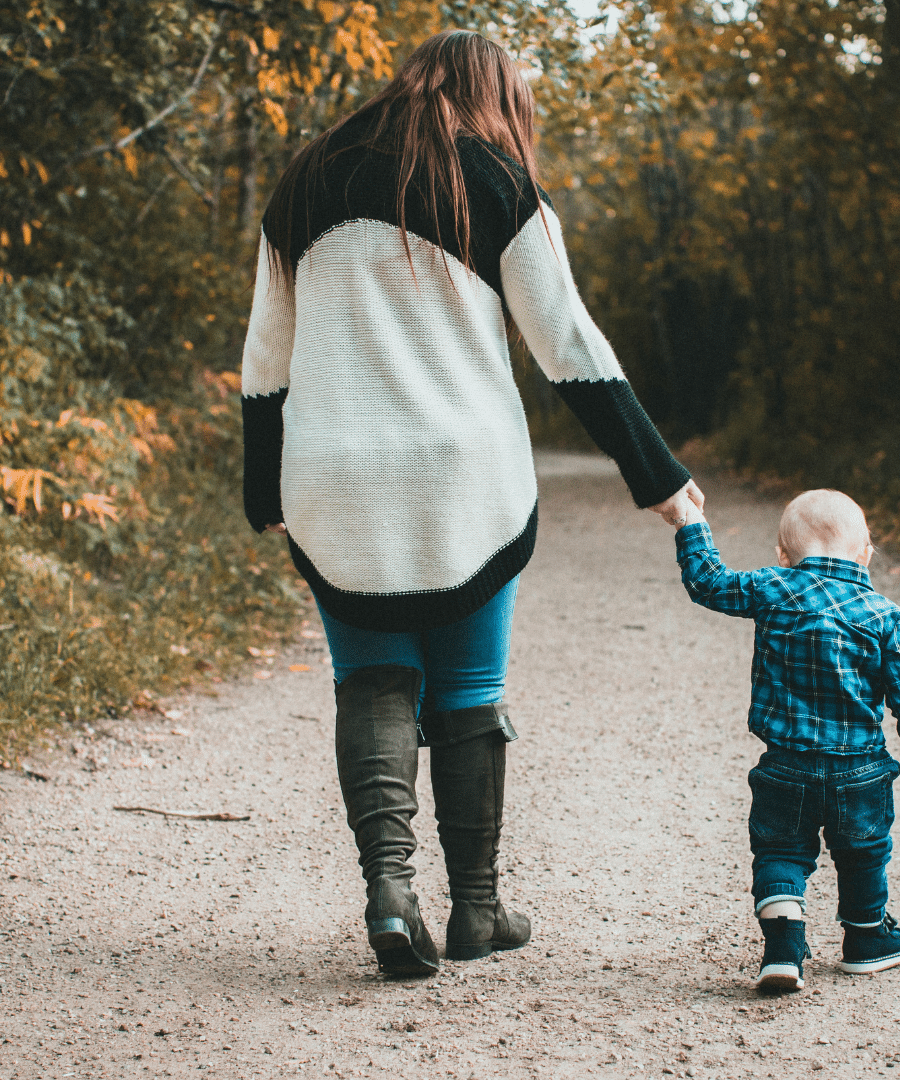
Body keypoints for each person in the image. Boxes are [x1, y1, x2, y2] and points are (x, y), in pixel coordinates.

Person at [239, 29, 705, 977]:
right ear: (495, 96)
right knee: (467, 688)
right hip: (465, 477)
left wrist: (264, 485)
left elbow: (265, 355)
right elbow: (568, 342)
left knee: (372, 679)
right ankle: (477, 911)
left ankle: (389, 892)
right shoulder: (492, 181)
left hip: (333, 472)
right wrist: (656, 476)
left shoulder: (305, 179)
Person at [669, 489, 900, 993]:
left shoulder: (772, 587)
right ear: (866, 554)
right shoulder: (883, 614)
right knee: (864, 852)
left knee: (780, 851)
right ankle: (866, 939)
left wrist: (690, 522)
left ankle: (782, 948)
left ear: (782, 553)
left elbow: (708, 582)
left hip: (785, 765)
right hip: (860, 770)